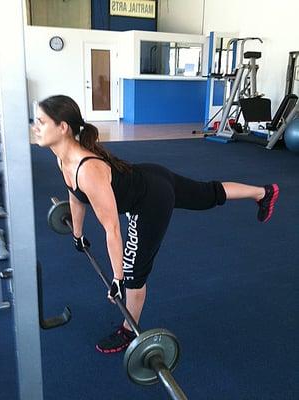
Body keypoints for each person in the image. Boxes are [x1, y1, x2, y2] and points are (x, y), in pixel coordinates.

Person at [33, 95, 279, 354]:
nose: (35, 127)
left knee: (133, 273)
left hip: (149, 202)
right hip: (151, 177)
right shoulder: (63, 158)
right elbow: (75, 196)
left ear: (63, 128)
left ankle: (129, 330)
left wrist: (118, 279)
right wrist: (78, 233)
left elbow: (112, 229)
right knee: (208, 194)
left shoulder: (87, 169)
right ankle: (262, 193)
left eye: (41, 121)